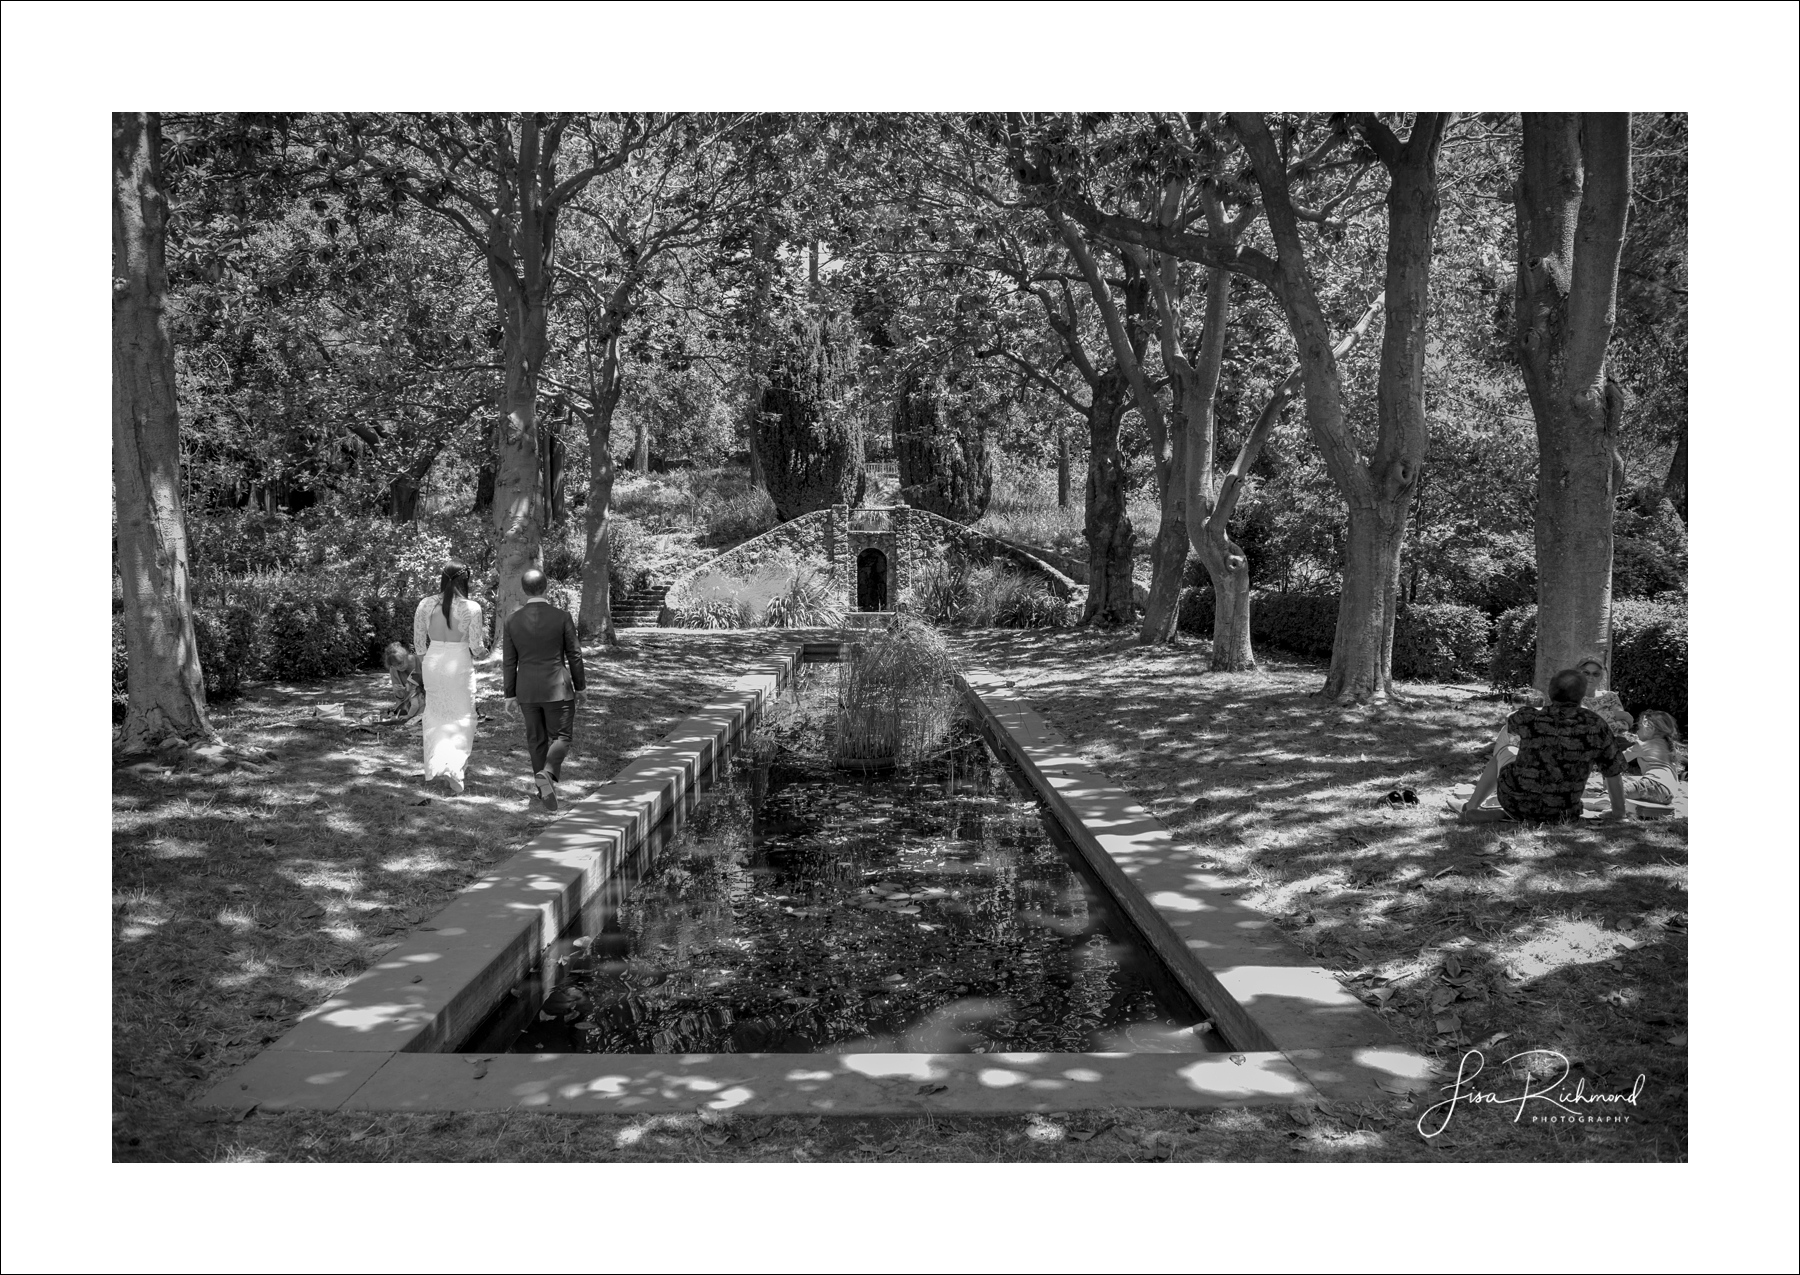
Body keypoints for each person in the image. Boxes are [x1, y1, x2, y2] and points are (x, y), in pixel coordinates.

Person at [1460, 668, 1627, 823]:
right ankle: (1504, 815)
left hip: (1515, 801)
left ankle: (1473, 806)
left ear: (1549, 692)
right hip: (1564, 811)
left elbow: (1511, 722)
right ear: (1582, 695)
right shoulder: (1595, 724)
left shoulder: (1528, 716)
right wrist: (1618, 813)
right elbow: (1613, 771)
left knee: (1505, 751)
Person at [503, 568, 586, 812]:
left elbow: (509, 661)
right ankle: (548, 774)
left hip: (526, 688)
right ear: (546, 587)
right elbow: (575, 654)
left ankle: (543, 790)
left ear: (523, 590)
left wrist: (510, 694)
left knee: (536, 739)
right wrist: (580, 687)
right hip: (557, 687)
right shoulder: (562, 616)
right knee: (562, 737)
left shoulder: (512, 620)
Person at [412, 563, 489, 795]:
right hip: (459, 664)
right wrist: (487, 653)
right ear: (465, 580)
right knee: (463, 715)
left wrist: (430, 661)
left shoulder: (425, 604)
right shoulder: (472, 607)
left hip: (433, 662)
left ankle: (441, 763)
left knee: (436, 714)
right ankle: (454, 767)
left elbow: (419, 645)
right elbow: (476, 648)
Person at [1619, 709, 1681, 805]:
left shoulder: (1642, 745)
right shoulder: (1667, 745)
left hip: (1654, 785)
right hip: (1668, 794)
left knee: (1617, 791)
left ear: (1650, 729)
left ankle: (1603, 801)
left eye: (1639, 727)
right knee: (1633, 786)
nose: (1637, 731)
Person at [1576, 654, 1634, 733]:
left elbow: (1623, 725)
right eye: (1586, 673)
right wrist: (1616, 715)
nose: (1590, 677)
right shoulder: (1570, 697)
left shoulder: (1611, 696)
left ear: (1601, 677)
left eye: (1596, 674)